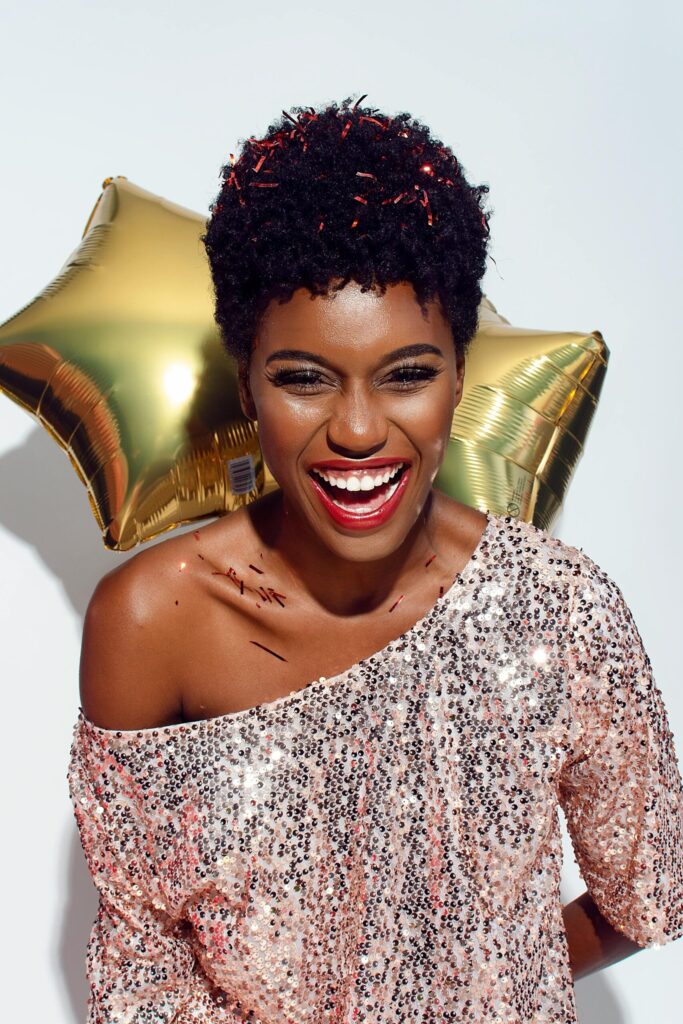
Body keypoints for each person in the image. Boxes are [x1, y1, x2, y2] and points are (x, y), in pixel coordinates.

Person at [67, 96, 683, 1023]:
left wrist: (472, 982)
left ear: (460, 378)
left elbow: (650, 893)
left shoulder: (561, 611)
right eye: (303, 378)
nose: (357, 430)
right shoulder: (154, 621)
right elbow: (140, 968)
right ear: (246, 384)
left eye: (407, 373)